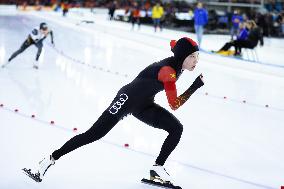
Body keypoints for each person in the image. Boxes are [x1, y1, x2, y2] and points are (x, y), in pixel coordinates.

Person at [23, 37, 204, 186]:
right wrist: (195, 86)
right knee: (93, 134)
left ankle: (156, 170)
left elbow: (175, 44)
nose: (196, 61)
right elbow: (175, 104)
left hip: (145, 104)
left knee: (176, 128)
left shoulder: (179, 61)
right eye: (192, 57)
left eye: (197, 56)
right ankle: (49, 160)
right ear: (182, 57)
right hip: (126, 99)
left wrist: (179, 45)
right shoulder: (168, 72)